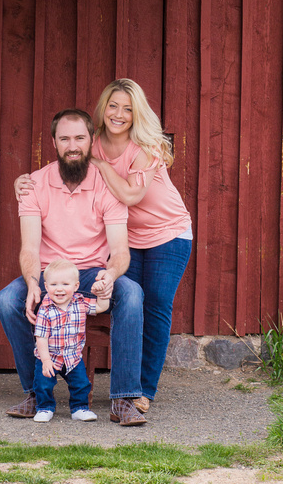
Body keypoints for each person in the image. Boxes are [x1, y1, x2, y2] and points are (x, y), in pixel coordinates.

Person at [15, 81, 192, 414]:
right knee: (126, 302)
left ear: (136, 113)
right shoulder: (89, 140)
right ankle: (55, 387)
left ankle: (141, 392)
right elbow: (63, 162)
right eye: (113, 106)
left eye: (128, 108)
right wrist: (20, 183)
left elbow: (129, 196)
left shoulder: (146, 147)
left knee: (153, 307)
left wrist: (105, 166)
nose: (119, 114)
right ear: (102, 109)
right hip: (126, 237)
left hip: (165, 233)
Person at [0, 108, 147, 426]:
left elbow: (121, 251)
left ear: (91, 140)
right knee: (8, 300)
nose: (73, 145)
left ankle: (123, 399)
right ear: (54, 142)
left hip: (92, 270)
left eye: (79, 137)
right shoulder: (33, 184)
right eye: (65, 138)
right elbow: (29, 248)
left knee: (131, 293)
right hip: (50, 271)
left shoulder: (109, 185)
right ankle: (36, 393)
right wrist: (33, 282)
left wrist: (111, 274)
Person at [33, 258, 110, 423]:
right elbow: (41, 336)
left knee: (81, 384)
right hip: (49, 357)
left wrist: (101, 294)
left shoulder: (80, 303)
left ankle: (79, 408)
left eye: (65, 285)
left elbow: (101, 307)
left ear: (76, 286)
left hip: (73, 356)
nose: (59, 289)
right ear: (46, 287)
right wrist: (45, 360)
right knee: (43, 384)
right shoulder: (45, 309)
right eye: (53, 285)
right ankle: (45, 408)